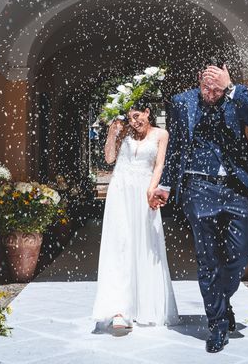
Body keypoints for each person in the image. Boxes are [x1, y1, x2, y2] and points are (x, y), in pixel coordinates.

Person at [151, 61, 248, 353]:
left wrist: (231, 89)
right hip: (198, 187)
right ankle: (216, 323)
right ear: (199, 80)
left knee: (241, 254)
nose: (211, 93)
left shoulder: (237, 95)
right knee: (208, 258)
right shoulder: (182, 102)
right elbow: (176, 146)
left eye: (217, 88)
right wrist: (165, 184)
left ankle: (222, 301)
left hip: (236, 187)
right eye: (207, 87)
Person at [92, 100, 178, 330]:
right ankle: (119, 309)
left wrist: (153, 188)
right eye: (131, 117)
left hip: (144, 193)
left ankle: (147, 306)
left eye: (138, 115)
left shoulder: (161, 134)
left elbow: (159, 165)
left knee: (146, 245)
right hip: (120, 192)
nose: (135, 121)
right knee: (120, 245)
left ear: (148, 112)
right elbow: (110, 159)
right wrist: (112, 133)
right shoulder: (124, 133)